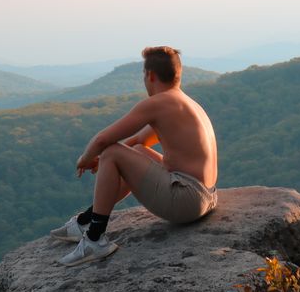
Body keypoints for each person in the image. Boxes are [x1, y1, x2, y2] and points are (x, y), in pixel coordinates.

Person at [51, 46, 218, 266]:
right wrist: (104, 163)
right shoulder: (185, 103)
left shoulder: (158, 103)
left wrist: (85, 160)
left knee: (111, 152)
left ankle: (94, 239)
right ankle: (87, 220)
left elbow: (102, 140)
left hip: (186, 200)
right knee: (132, 153)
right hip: (206, 196)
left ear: (150, 75)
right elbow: (138, 142)